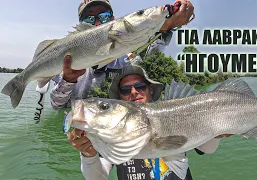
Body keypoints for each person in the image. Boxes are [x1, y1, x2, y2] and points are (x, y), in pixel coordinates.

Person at [51, 0, 230, 179]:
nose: (134, 92)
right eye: (125, 90)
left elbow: (206, 148)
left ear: (151, 90)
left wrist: (165, 26)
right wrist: (88, 155)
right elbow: (58, 104)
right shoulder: (111, 137)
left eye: (140, 86)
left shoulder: (170, 114)